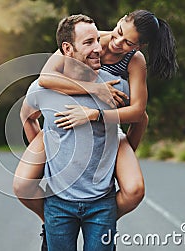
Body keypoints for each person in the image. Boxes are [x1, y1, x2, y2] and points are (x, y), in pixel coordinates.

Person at [14, 10, 178, 250]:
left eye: (129, 43)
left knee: (134, 189)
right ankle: (50, 221)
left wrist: (114, 149)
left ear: (140, 46)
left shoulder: (134, 62)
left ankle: (101, 220)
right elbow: (45, 79)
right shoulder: (90, 38)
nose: (115, 43)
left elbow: (139, 114)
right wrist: (94, 89)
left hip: (109, 120)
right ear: (120, 19)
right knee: (21, 184)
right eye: (119, 32)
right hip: (70, 112)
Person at [18, 14, 124, 250]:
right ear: (67, 48)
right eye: (88, 43)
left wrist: (123, 154)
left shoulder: (115, 86)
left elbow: (139, 117)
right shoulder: (40, 89)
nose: (98, 48)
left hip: (102, 203)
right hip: (57, 203)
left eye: (98, 40)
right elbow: (27, 116)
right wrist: (44, 148)